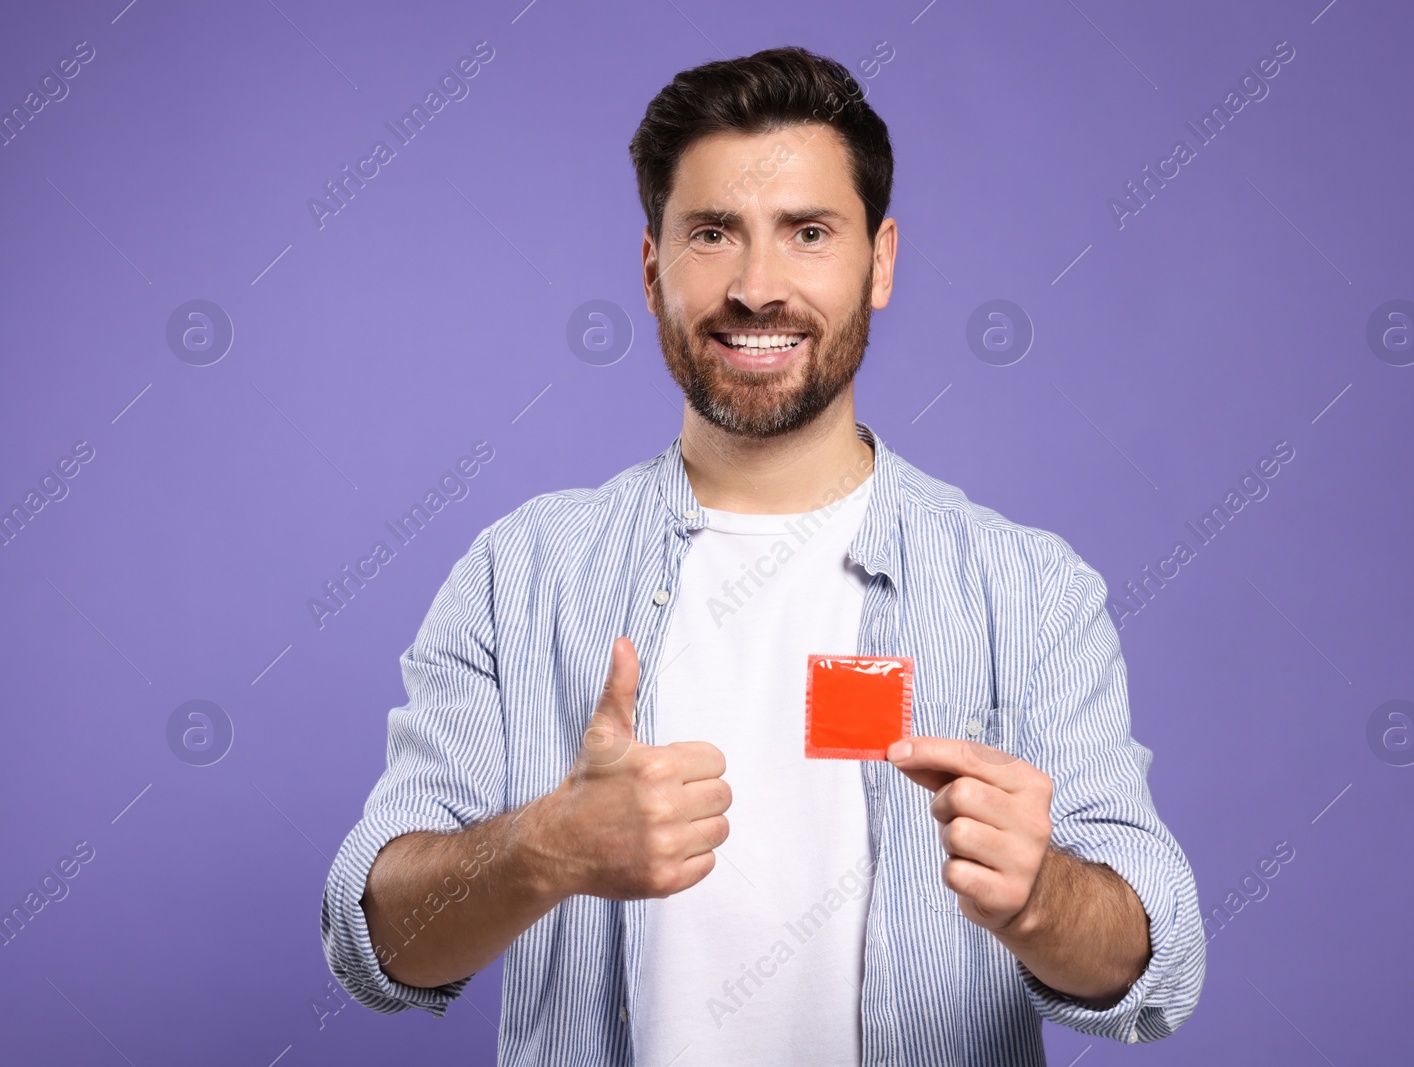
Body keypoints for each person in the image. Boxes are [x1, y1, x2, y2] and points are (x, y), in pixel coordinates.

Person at [321, 45, 1204, 1066]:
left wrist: (1040, 891)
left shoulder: (1027, 590)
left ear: (878, 262)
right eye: (711, 234)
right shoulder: (520, 573)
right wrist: (544, 847)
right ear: (651, 269)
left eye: (808, 233)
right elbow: (376, 941)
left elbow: (1156, 958)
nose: (755, 287)